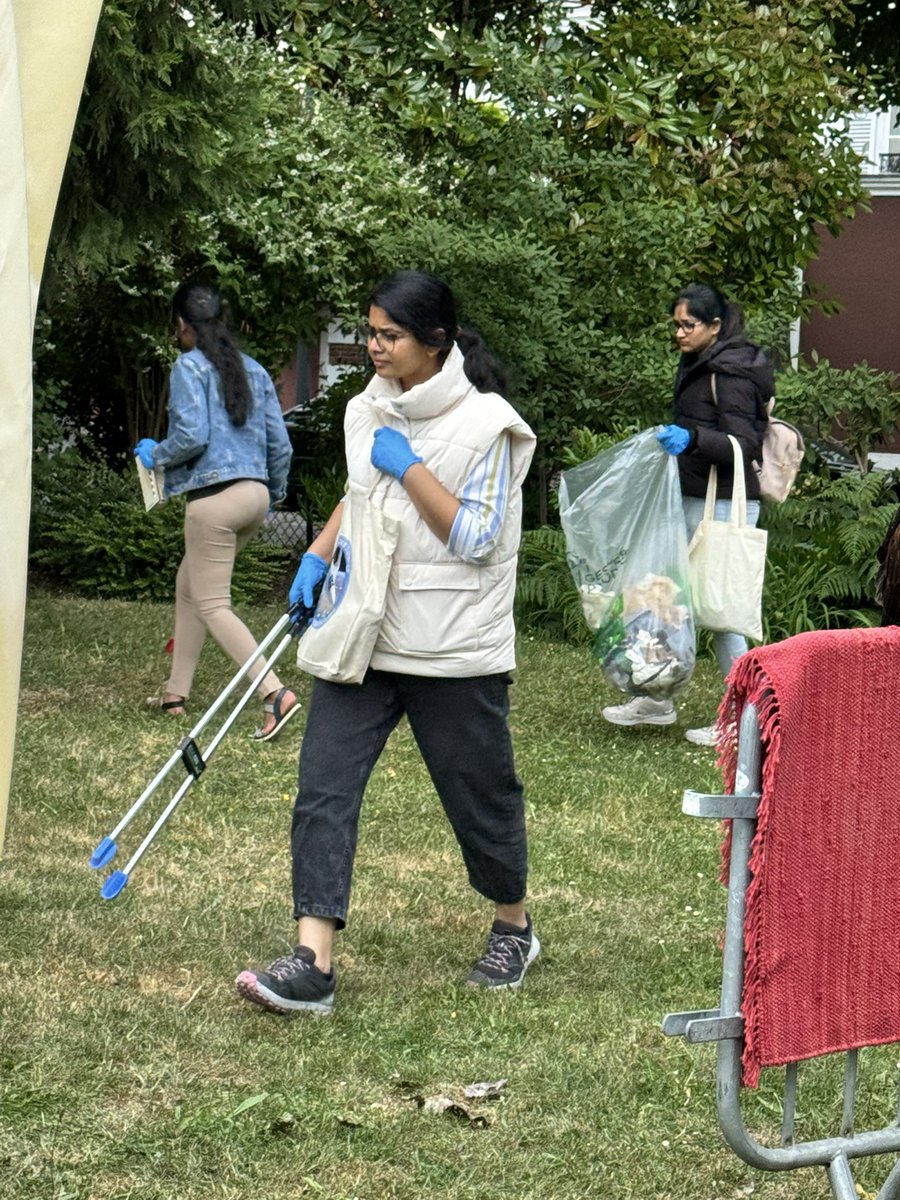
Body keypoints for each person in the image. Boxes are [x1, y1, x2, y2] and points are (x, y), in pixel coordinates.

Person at [235, 269, 539, 1016]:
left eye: (388, 335)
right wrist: (319, 550)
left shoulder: (488, 424)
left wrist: (412, 468)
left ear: (434, 342)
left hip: (450, 647)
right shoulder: (365, 411)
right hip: (363, 634)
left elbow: (474, 536)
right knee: (323, 791)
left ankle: (513, 924)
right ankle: (313, 961)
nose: (371, 346)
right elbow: (364, 489)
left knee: (480, 799)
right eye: (369, 331)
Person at [602, 283, 772, 746]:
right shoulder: (699, 362)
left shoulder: (731, 372)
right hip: (694, 493)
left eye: (687, 325)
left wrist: (692, 440)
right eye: (675, 324)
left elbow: (746, 445)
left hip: (723, 503)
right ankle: (655, 698)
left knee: (721, 612)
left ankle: (745, 723)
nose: (678, 333)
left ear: (715, 325)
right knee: (664, 598)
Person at [134, 280, 299, 741]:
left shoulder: (189, 368)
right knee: (189, 585)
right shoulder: (255, 371)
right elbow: (279, 446)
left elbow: (192, 438)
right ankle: (174, 693)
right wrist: (272, 492)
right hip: (255, 496)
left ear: (183, 325)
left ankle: (274, 693)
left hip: (213, 501)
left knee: (212, 603)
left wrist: (156, 455)